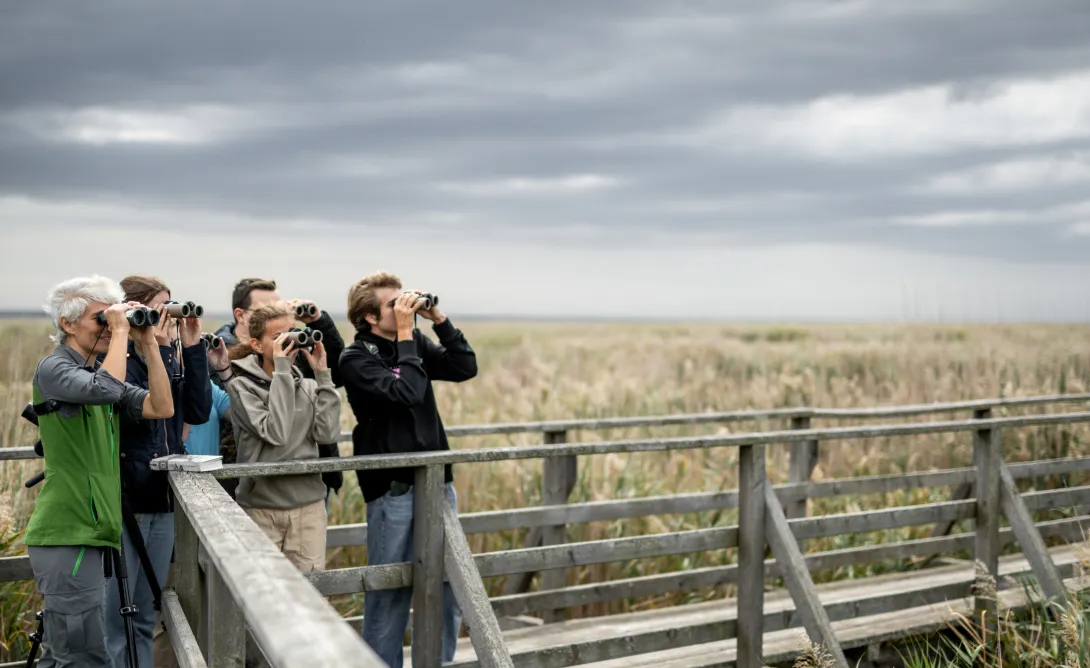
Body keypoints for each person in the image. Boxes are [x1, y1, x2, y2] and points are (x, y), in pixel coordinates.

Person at [23, 275, 174, 668]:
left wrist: (148, 344)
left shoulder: (98, 374)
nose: (109, 326)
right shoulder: (54, 369)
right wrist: (121, 329)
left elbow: (162, 407)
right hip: (68, 533)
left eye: (112, 316)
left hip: (95, 532)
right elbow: (106, 389)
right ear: (68, 324)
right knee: (78, 655)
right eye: (100, 318)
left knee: (80, 653)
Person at [339, 271, 477, 667]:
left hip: (436, 480)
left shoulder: (412, 341)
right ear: (368, 316)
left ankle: (439, 663)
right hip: (393, 487)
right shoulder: (355, 359)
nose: (404, 308)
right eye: (393, 303)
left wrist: (440, 320)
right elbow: (407, 393)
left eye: (405, 300)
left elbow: (465, 367)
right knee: (389, 591)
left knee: (450, 585)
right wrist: (405, 337)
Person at [102, 275, 212, 668]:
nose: (168, 315)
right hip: (129, 497)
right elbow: (143, 418)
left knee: (147, 612)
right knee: (119, 614)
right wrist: (158, 350)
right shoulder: (115, 360)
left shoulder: (169, 353)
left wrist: (193, 346)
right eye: (161, 306)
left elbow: (197, 411)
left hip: (164, 498)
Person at [224, 301, 342, 573]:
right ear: (256, 345)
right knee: (259, 597)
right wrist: (282, 371)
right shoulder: (242, 387)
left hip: (308, 508)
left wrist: (323, 376)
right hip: (260, 510)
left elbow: (327, 434)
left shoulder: (309, 385)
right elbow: (275, 432)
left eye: (292, 332)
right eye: (278, 337)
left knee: (310, 597)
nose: (289, 341)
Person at [213, 278, 344, 503]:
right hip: (257, 486)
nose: (273, 313)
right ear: (240, 314)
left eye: (278, 307)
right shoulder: (220, 354)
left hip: (307, 480)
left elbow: (337, 374)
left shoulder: (291, 348)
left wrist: (318, 322)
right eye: (265, 309)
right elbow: (264, 426)